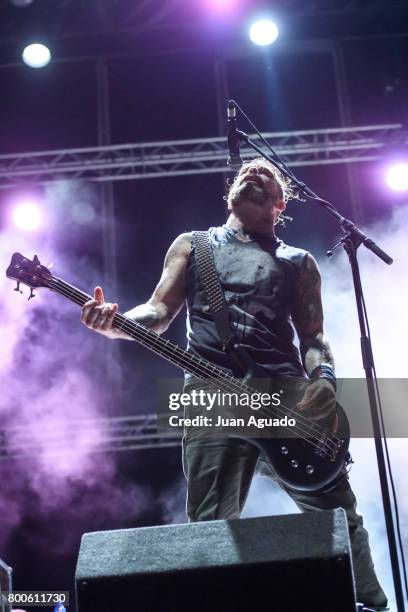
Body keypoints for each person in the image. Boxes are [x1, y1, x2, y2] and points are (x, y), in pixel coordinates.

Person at [80, 158, 388, 610]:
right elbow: (158, 313)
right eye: (247, 173)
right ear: (231, 193)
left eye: (266, 176)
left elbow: (314, 336)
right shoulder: (193, 245)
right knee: (209, 533)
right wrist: (118, 324)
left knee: (341, 520)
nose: (254, 174)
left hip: (286, 401)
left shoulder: (297, 262)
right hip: (212, 400)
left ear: (280, 205)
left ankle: (373, 607)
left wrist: (323, 378)